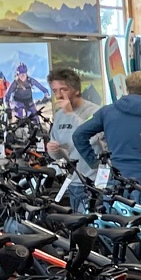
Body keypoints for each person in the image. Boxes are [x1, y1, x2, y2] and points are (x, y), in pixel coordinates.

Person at [73, 70, 141, 195]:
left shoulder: (106, 112)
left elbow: (78, 135)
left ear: (127, 89)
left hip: (114, 177)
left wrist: (94, 161)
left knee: (113, 213)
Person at [45, 67, 100, 199]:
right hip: (74, 181)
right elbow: (59, 153)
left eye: (63, 89)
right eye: (55, 91)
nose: (59, 95)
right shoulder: (59, 116)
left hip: (95, 181)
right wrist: (52, 150)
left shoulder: (96, 112)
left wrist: (70, 114)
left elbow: (93, 139)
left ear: (77, 90)